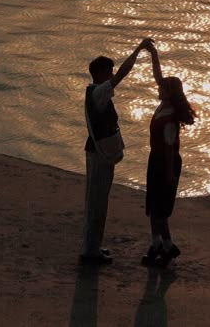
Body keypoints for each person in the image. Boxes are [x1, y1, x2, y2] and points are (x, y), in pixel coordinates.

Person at [80, 37, 154, 265]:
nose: (112, 76)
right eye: (109, 72)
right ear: (101, 74)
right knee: (97, 201)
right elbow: (123, 74)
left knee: (96, 200)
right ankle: (90, 251)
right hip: (99, 155)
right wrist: (139, 49)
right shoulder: (99, 92)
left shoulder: (95, 92)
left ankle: (92, 246)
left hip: (97, 152)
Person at [142, 42, 196, 267]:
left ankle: (164, 246)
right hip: (157, 159)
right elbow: (158, 76)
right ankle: (160, 246)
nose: (157, 87)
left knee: (159, 209)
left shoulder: (170, 118)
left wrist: (170, 174)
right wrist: (153, 53)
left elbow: (168, 149)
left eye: (162, 87)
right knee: (155, 208)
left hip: (166, 162)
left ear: (168, 92)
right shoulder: (164, 104)